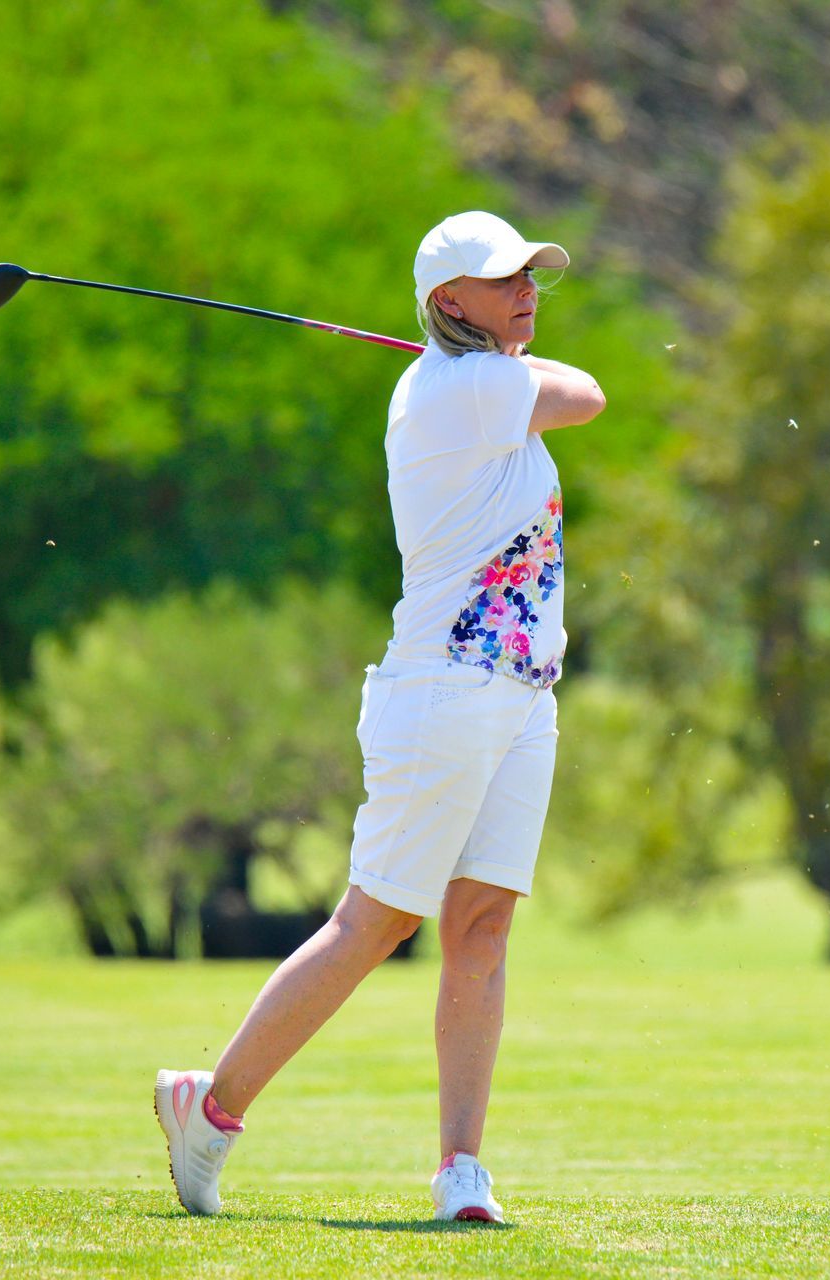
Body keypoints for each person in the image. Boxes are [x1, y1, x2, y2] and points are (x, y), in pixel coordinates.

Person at [154, 211, 606, 1224]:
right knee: (377, 921)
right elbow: (589, 394)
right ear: (450, 302)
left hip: (521, 695)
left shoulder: (469, 381)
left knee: (481, 926)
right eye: (503, 279)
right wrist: (495, 364)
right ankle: (209, 1108)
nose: (526, 290)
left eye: (531, 275)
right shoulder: (470, 387)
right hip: (444, 691)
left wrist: (487, 357)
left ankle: (461, 1169)